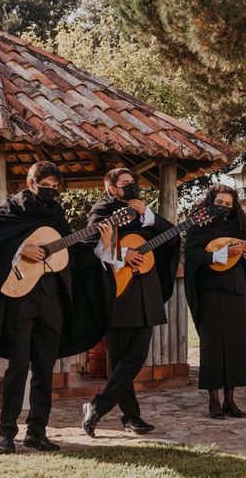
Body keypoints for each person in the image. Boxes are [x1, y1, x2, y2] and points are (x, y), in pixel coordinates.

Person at [0, 162, 112, 454]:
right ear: (32, 183)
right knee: (18, 365)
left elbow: (71, 253)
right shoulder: (12, 209)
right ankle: (6, 432)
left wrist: (99, 245)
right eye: (47, 184)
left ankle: (37, 431)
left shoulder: (56, 215)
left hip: (51, 297)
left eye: (56, 186)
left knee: (45, 365)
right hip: (20, 297)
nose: (52, 190)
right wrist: (20, 249)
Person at [82, 168, 180, 436]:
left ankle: (98, 405)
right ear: (112, 188)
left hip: (147, 291)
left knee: (135, 357)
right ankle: (131, 417)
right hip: (119, 291)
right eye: (125, 183)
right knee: (120, 359)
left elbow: (172, 237)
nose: (132, 186)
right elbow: (93, 246)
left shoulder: (145, 214)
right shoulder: (102, 210)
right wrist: (124, 253)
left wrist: (148, 215)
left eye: (133, 182)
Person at [184, 185, 246, 419]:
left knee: (236, 346)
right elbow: (193, 256)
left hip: (236, 290)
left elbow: (245, 262)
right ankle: (214, 401)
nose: (224, 207)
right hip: (210, 291)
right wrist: (217, 255)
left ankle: (231, 401)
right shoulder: (199, 225)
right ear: (210, 202)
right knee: (213, 347)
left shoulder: (238, 227)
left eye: (228, 204)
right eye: (219, 202)